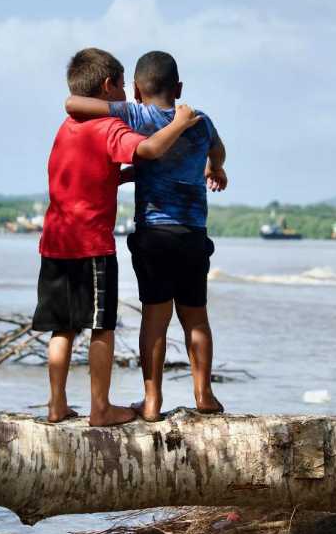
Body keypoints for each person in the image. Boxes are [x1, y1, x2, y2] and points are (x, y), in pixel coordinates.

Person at [33, 47, 202, 426]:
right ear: (109, 86)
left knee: (63, 327)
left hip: (54, 241)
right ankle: (100, 408)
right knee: (101, 328)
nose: (127, 92)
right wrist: (180, 123)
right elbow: (148, 150)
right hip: (91, 245)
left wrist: (122, 176)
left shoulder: (68, 127)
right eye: (123, 85)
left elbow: (94, 171)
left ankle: (56, 405)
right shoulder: (110, 128)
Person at [65, 50, 227, 421]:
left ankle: (152, 401)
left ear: (136, 89)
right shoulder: (200, 121)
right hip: (192, 234)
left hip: (154, 235)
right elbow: (217, 149)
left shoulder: (136, 114)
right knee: (196, 318)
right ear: (180, 87)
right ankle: (204, 394)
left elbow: (73, 104)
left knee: (155, 318)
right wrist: (214, 167)